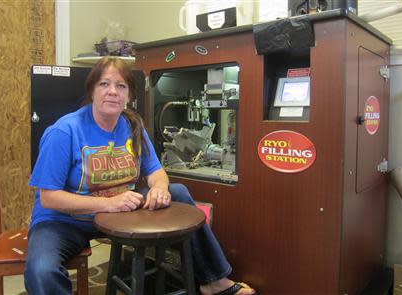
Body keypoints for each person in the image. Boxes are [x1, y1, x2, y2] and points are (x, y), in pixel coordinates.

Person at [24, 57, 256, 295]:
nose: (113, 92)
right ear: (92, 91)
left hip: (118, 213)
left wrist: (159, 188)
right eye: (104, 84)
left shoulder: (132, 126)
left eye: (121, 86)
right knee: (41, 269)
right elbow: (50, 198)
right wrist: (108, 203)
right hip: (64, 221)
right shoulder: (64, 131)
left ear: (129, 96)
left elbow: (156, 171)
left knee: (178, 192)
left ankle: (212, 280)